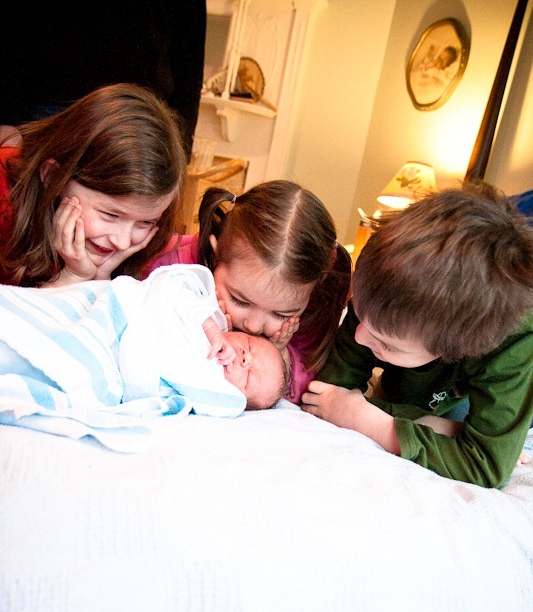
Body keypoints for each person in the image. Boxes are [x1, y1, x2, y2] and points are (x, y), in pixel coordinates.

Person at [301, 182, 533, 488]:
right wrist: (441, 428)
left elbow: (486, 466)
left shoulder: (512, 346)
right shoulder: (380, 290)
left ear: (456, 350)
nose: (359, 338)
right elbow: (326, 397)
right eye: (358, 313)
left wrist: (370, 421)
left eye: (387, 344)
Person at [0, 264, 287, 451]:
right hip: (111, 317)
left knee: (55, 363)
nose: (245, 358)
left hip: (114, 362)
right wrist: (209, 324)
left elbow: (219, 401)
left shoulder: (209, 386)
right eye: (249, 345)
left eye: (250, 376)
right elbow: (171, 285)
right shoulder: (208, 316)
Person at [144, 180, 353, 404]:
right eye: (240, 301)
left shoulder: (315, 307)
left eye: (280, 314)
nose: (253, 326)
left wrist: (278, 354)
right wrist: (203, 325)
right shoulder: (173, 267)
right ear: (216, 254)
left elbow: (308, 382)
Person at [0, 0, 206, 162]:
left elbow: (189, 51)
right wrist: (6, 119)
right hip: (51, 111)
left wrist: (181, 144)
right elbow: (15, 12)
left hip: (140, 123)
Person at [0, 83, 187, 288]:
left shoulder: (146, 247)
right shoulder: (4, 197)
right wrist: (70, 278)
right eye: (110, 215)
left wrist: (100, 282)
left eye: (145, 222)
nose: (122, 242)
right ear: (53, 176)